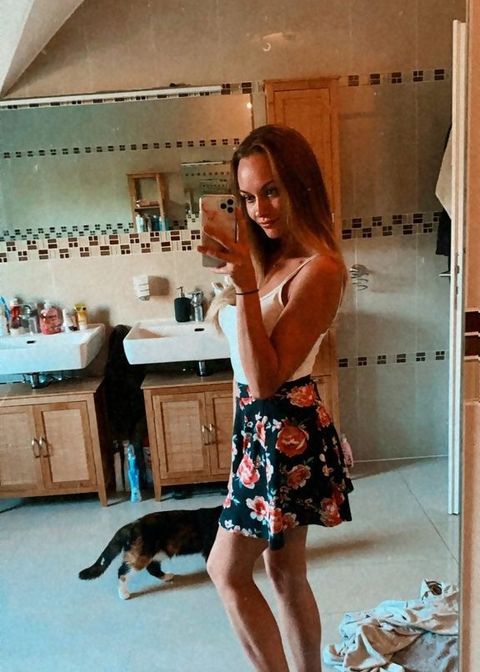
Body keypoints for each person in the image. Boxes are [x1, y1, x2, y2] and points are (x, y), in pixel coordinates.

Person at [198, 124, 353, 672]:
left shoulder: (320, 268)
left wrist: (243, 285)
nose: (258, 209)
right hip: (260, 432)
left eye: (271, 191)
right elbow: (246, 369)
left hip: (284, 433)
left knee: (225, 571)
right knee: (284, 573)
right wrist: (239, 279)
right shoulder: (269, 261)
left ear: (300, 186)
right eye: (246, 197)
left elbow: (267, 379)